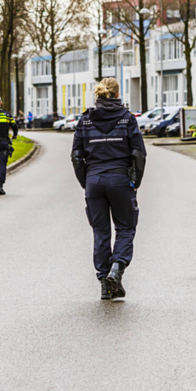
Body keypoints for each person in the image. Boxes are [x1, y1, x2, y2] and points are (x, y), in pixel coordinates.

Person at [71, 77, 146, 301]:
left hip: (94, 181)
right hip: (121, 180)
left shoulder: (84, 121)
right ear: (116, 94)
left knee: (100, 232)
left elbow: (76, 156)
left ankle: (106, 284)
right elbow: (138, 154)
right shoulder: (127, 120)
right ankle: (117, 269)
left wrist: (87, 182)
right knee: (125, 228)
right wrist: (135, 182)